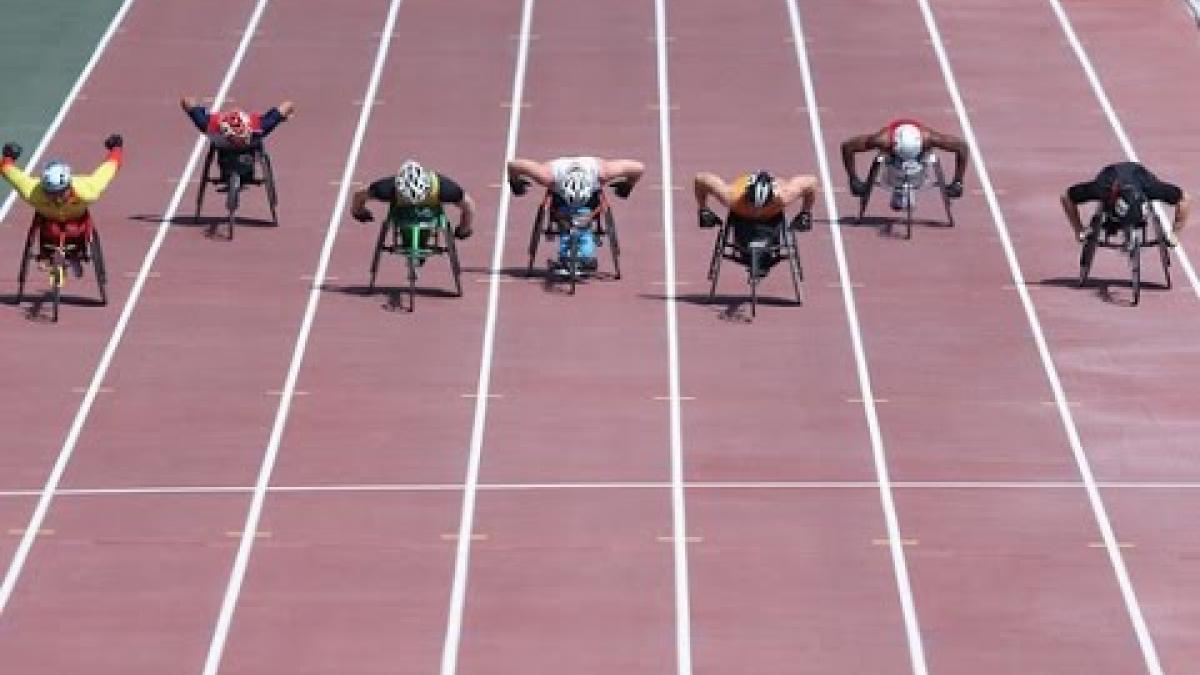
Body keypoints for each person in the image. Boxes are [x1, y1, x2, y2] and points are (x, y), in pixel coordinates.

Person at [0, 134, 123, 277]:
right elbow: (9, 172)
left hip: (77, 224)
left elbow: (109, 168)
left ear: (68, 187)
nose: (56, 197)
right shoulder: (32, 191)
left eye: (59, 192)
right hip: (48, 225)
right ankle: (46, 256)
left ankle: (76, 254)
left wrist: (116, 148)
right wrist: (9, 156)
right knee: (51, 228)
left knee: (74, 229)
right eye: (50, 192)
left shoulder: (88, 190)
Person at [507, 155, 644, 272]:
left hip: (589, 198)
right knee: (565, 218)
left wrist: (627, 186)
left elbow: (639, 168)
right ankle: (567, 249)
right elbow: (513, 165)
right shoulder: (547, 175)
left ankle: (586, 254)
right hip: (561, 197)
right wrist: (515, 183)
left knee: (584, 217)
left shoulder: (602, 172)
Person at [694, 169, 816, 276]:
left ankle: (764, 257)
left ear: (773, 198)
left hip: (771, 219)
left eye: (763, 205)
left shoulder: (784, 196)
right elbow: (700, 178)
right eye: (752, 204)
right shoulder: (731, 196)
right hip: (741, 218)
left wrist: (805, 212)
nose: (756, 210)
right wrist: (704, 209)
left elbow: (812, 181)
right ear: (746, 196)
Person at [180, 96, 295, 202]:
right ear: (225, 134)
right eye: (237, 138)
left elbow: (287, 105)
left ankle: (244, 173)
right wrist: (193, 106)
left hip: (250, 146)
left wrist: (286, 115)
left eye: (243, 136)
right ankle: (229, 174)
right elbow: (187, 101)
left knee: (254, 145)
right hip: (223, 148)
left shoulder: (260, 126)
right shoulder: (209, 125)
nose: (241, 140)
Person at [351, 160, 476, 254]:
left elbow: (359, 196)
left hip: (415, 217)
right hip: (407, 218)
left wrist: (358, 212)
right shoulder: (386, 188)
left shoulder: (444, 187)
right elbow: (468, 206)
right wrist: (464, 229)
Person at [841, 119, 968, 211]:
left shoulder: (929, 138)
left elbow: (962, 147)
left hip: (919, 161)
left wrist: (958, 182)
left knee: (927, 160)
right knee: (883, 159)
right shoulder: (882, 140)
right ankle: (898, 190)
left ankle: (903, 190)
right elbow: (847, 146)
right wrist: (853, 179)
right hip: (892, 162)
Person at [1061, 161, 1190, 246]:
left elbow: (1185, 199)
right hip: (1110, 175)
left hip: (1140, 175)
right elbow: (1066, 197)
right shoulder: (1101, 188)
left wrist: (1175, 233)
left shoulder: (1151, 187)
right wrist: (1078, 229)